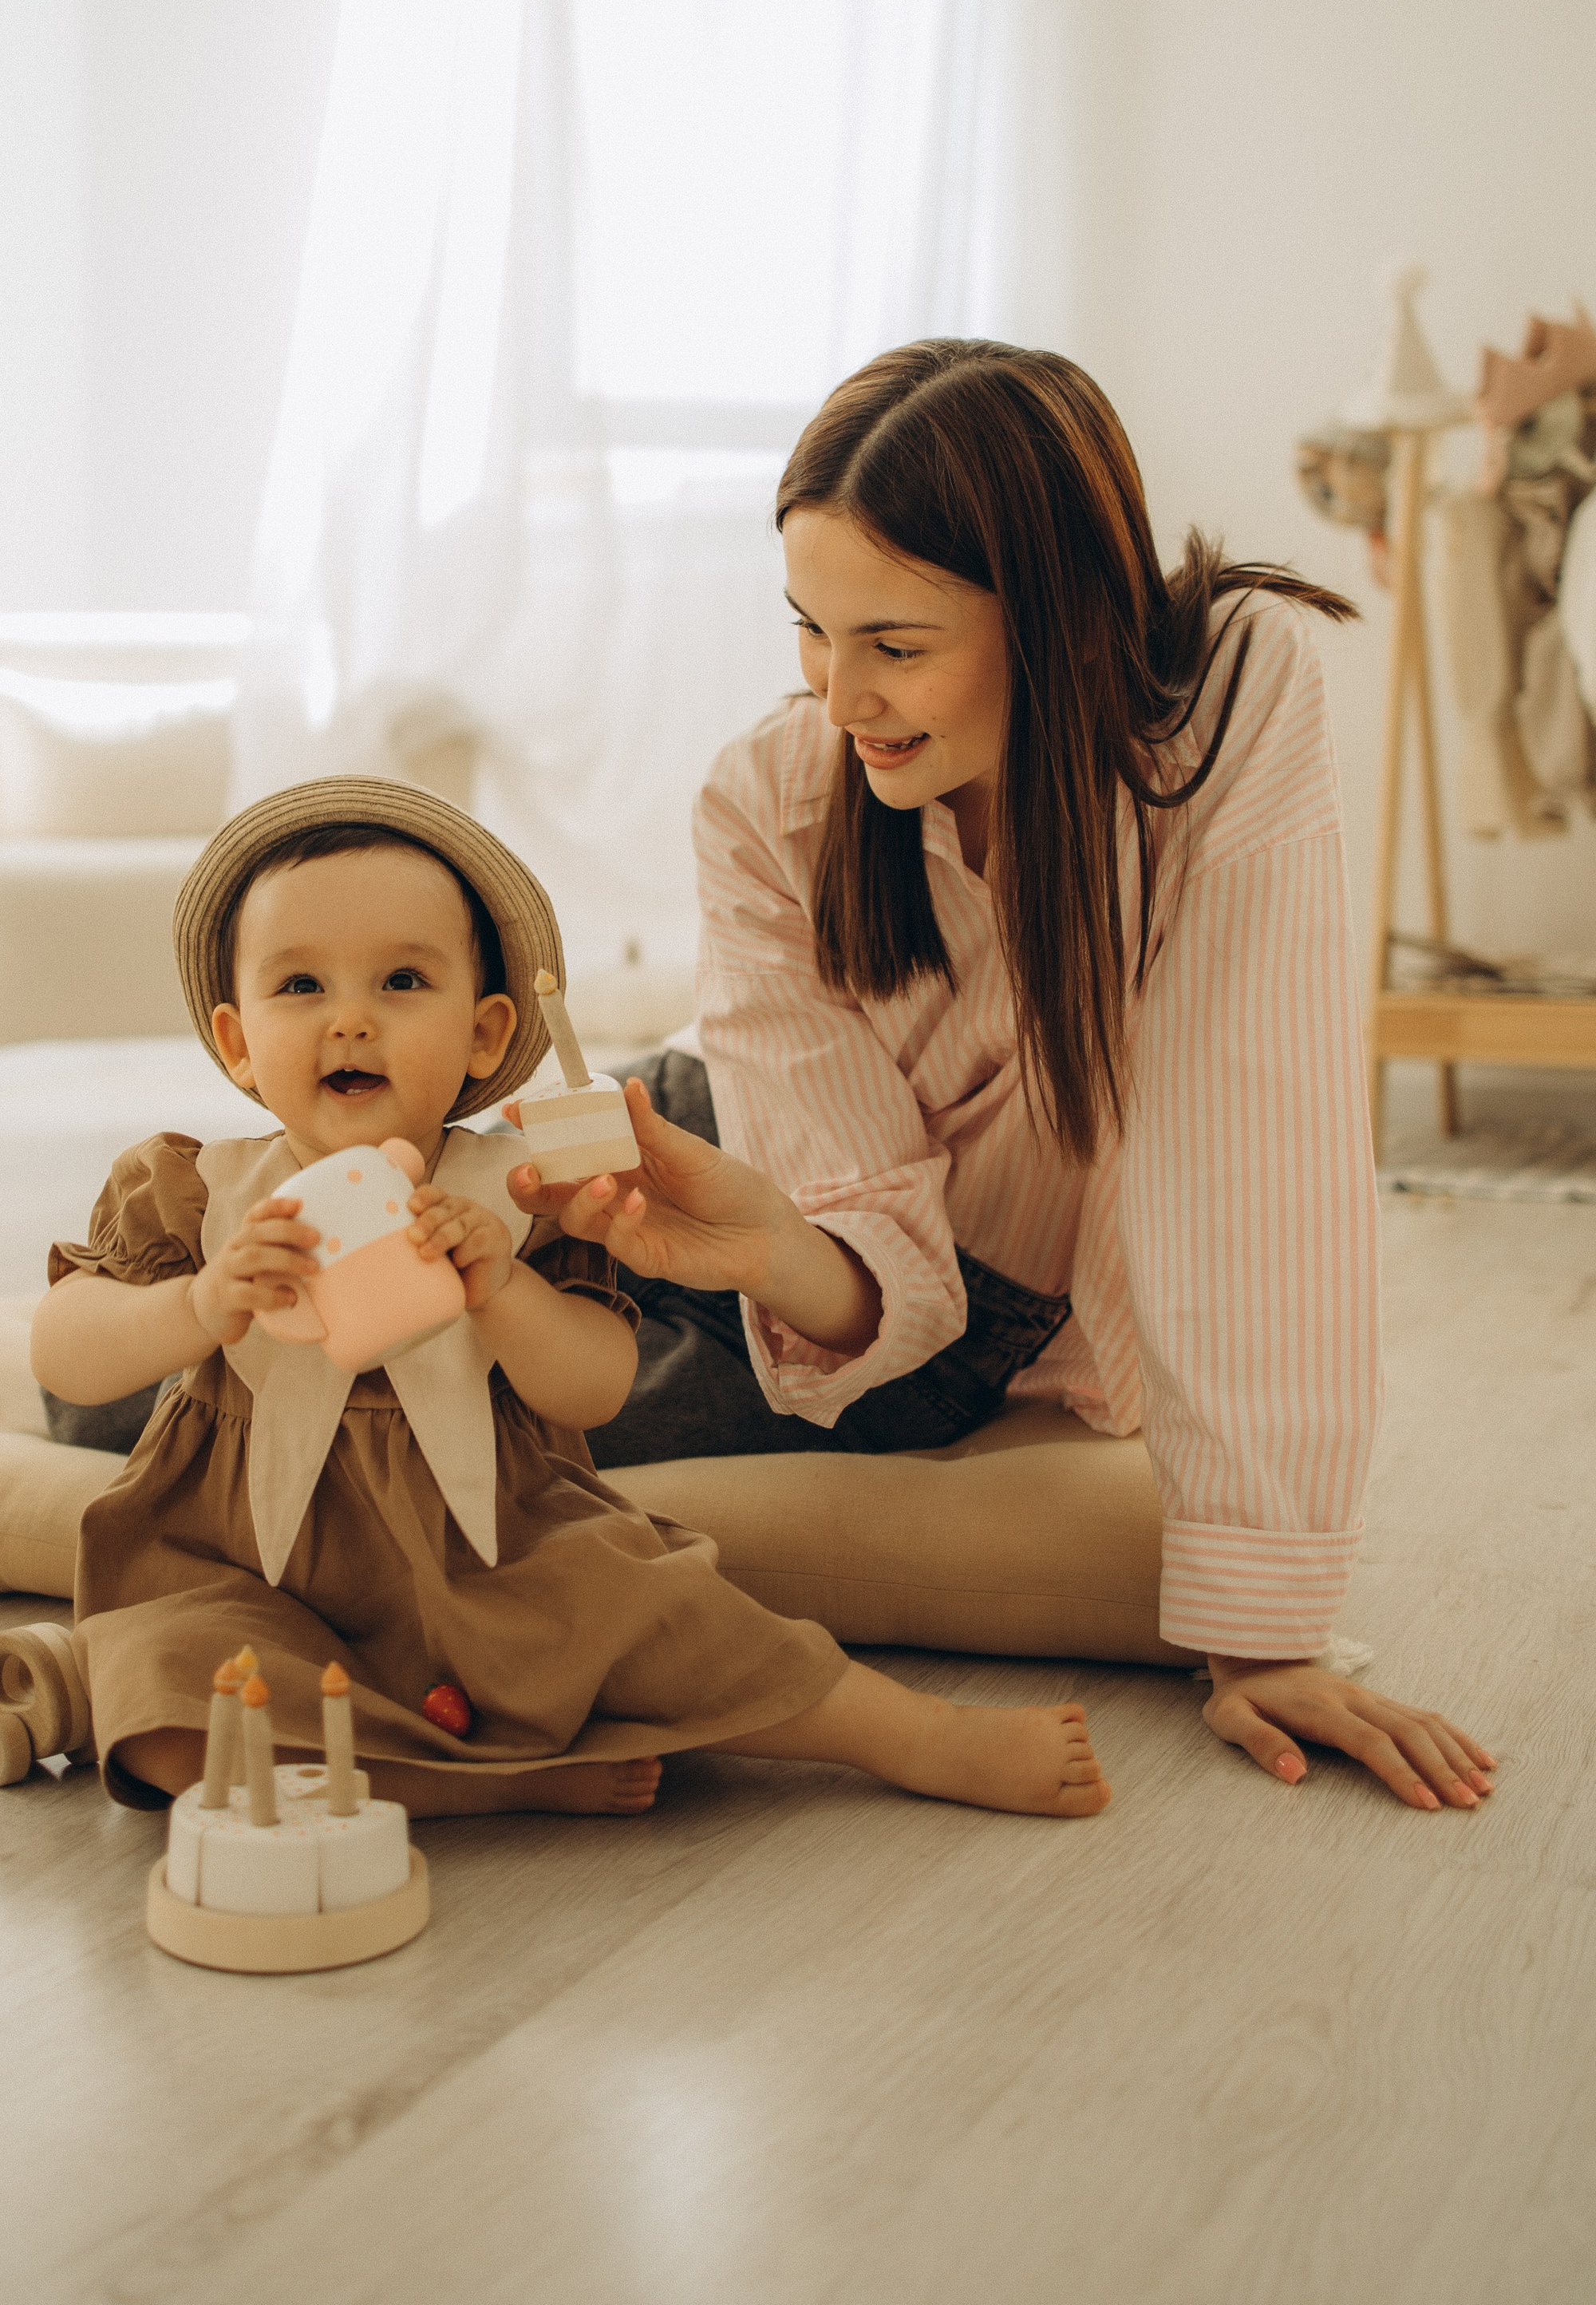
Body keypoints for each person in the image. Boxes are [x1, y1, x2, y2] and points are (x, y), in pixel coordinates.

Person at [529, 341, 1497, 1817]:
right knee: (350, 1294)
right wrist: (774, 1240)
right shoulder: (768, 796)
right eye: (811, 631)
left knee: (454, 1429)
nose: (841, 699)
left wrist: (1259, 1637)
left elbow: (1248, 1147)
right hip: (738, 1166)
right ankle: (107, 1325)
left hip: (842, 1287)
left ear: (1049, 618)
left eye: (895, 645)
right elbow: (838, 1191)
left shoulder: (1221, 701)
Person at [0, 779, 1110, 1824]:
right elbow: (68, 1355)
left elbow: (596, 1383)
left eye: (403, 982)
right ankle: (456, 1788)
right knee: (169, 1714)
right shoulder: (192, 1189)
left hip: (490, 1550)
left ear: (482, 1032)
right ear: (237, 1041)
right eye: (300, 986)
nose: (351, 1020)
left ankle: (912, 1737)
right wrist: (199, 1306)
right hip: (245, 1567)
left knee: (671, 1609)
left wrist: (503, 1289)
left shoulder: (520, 1193)